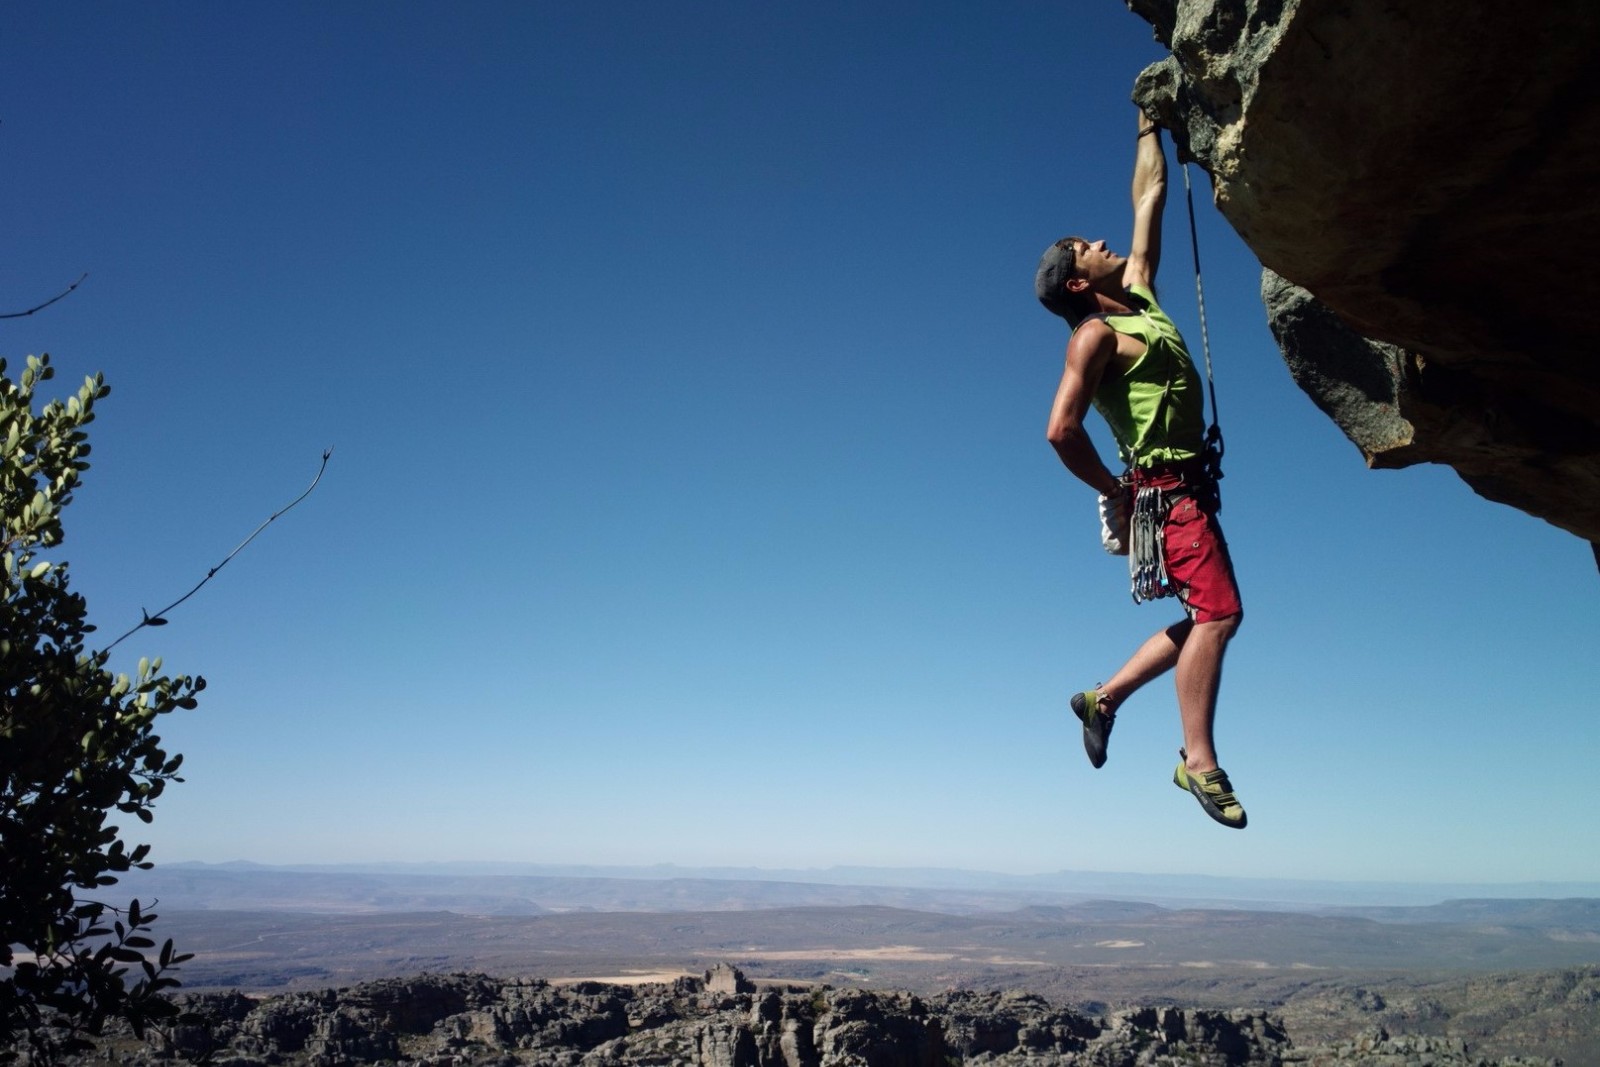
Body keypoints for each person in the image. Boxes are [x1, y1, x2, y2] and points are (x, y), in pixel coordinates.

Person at [1033, 107, 1247, 829]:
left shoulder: (1142, 299)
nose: (1100, 242)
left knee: (1208, 612)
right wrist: (1116, 487)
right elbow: (1062, 430)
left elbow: (1148, 198)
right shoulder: (1094, 336)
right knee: (1219, 613)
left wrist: (1145, 124)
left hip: (1186, 489)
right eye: (1082, 246)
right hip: (1167, 492)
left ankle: (1104, 699)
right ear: (1073, 283)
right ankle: (1198, 760)